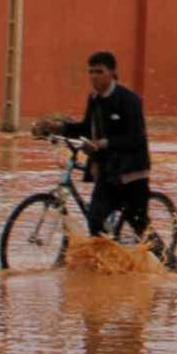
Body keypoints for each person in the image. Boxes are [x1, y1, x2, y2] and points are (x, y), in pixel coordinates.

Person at [32, 51, 151, 241]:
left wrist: (103, 143)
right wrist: (58, 128)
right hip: (107, 171)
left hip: (132, 173)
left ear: (112, 73)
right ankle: (107, 266)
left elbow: (135, 137)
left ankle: (171, 264)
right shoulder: (94, 99)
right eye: (91, 72)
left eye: (99, 71)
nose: (94, 76)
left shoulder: (129, 100)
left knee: (141, 231)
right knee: (95, 221)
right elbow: (86, 128)